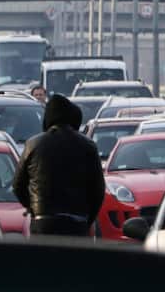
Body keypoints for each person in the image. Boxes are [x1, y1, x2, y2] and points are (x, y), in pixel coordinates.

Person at [13, 94, 105, 237]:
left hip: (43, 222)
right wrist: (86, 219)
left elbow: (18, 186)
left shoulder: (33, 144)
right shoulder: (88, 146)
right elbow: (98, 191)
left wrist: (33, 209)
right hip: (76, 222)